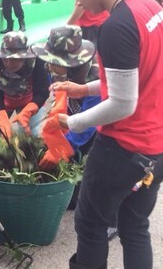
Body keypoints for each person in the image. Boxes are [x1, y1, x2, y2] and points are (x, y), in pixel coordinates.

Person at [35, 0, 163, 269]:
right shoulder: (149, 10)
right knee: (135, 225)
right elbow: (135, 77)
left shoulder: (117, 25)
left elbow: (123, 102)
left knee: (91, 222)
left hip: (127, 148)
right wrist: (83, 86)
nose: (79, 1)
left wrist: (71, 119)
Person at [31, 25, 119, 238]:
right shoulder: (59, 74)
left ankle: (112, 219)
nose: (49, 66)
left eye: (54, 62)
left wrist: (60, 150)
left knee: (105, 171)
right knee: (76, 184)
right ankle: (78, 190)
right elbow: (60, 109)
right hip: (77, 122)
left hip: (108, 132)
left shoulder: (94, 82)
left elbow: (86, 128)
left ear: (70, 65)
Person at [0, 31, 49, 138]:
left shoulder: (37, 61)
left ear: (24, 57)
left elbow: (43, 92)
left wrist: (27, 113)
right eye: (5, 58)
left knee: (33, 136)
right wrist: (2, 122)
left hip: (29, 101)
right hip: (3, 102)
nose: (9, 63)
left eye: (14, 59)